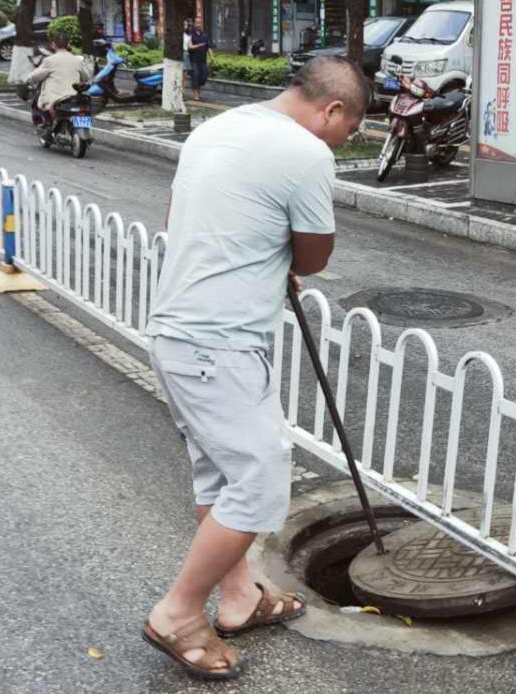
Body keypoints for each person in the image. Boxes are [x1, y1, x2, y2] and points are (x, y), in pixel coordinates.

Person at [142, 55, 369, 681]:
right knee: (260, 478)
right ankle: (179, 613)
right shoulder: (307, 152)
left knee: (221, 473)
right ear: (331, 110)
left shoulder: (216, 127)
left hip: (179, 332)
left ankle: (238, 599)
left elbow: (186, 220)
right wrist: (283, 253)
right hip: (219, 342)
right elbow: (315, 255)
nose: (341, 143)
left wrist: (263, 253)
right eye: (346, 130)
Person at [25, 30, 87, 129]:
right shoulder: (77, 60)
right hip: (76, 96)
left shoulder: (49, 60)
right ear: (68, 44)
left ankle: (49, 125)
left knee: (40, 102)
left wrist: (27, 79)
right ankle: (80, 127)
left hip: (57, 98)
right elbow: (85, 77)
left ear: (53, 45)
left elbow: (34, 76)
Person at [188, 22, 210, 101]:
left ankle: (198, 88)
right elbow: (189, 47)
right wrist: (199, 45)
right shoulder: (191, 35)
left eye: (200, 23)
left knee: (204, 75)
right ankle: (196, 94)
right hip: (193, 59)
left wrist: (212, 56)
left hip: (203, 60)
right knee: (195, 75)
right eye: (197, 23)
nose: (198, 24)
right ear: (194, 25)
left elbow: (208, 47)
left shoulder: (205, 35)